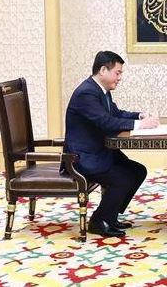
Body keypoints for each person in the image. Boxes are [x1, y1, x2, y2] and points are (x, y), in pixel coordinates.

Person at [64, 51, 159, 237]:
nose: (120, 77)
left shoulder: (101, 90)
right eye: (117, 73)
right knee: (123, 178)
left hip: (101, 151)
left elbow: (115, 113)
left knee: (138, 171)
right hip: (83, 157)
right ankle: (99, 221)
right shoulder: (86, 93)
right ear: (103, 70)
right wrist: (140, 125)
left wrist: (139, 116)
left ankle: (110, 215)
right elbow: (105, 122)